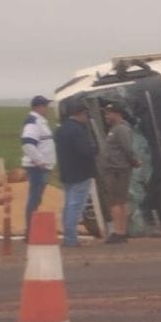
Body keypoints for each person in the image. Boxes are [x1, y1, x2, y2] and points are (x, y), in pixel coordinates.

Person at [54, 99, 97, 247]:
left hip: (66, 172)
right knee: (75, 207)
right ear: (81, 113)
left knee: (68, 205)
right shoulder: (78, 130)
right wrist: (94, 149)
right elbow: (84, 151)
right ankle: (71, 239)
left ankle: (68, 236)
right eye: (86, 113)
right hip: (81, 173)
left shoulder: (61, 129)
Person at [99, 102, 140, 243]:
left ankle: (119, 232)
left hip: (117, 170)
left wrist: (134, 161)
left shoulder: (121, 129)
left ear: (117, 114)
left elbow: (128, 148)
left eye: (108, 113)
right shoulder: (115, 129)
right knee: (120, 201)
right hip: (116, 169)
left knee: (115, 202)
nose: (106, 116)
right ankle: (122, 231)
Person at [20, 95, 56, 239]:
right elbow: (27, 143)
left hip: (41, 167)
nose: (47, 108)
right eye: (44, 105)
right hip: (37, 168)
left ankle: (32, 229)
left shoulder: (40, 122)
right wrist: (39, 161)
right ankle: (30, 232)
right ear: (37, 107)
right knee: (34, 199)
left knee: (36, 199)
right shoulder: (33, 122)